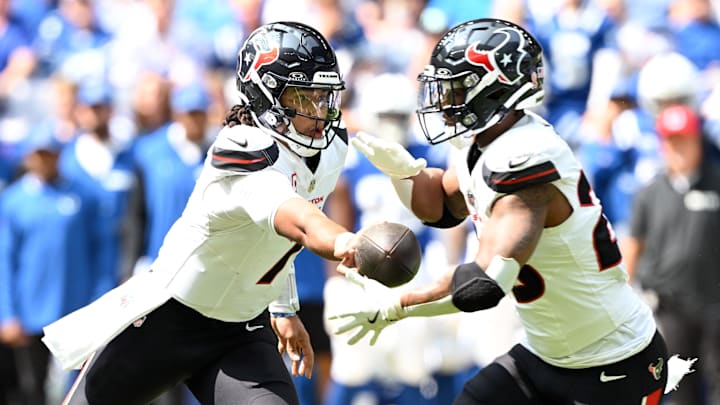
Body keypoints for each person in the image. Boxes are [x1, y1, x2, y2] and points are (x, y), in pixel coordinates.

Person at [330, 18, 691, 405]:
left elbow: (483, 284)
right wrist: (403, 174)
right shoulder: (487, 144)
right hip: (546, 353)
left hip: (611, 363)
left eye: (457, 86)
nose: (445, 98)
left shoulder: (525, 160)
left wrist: (398, 306)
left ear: (494, 89)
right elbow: (441, 207)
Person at [41, 21, 359, 405]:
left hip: (240, 328)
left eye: (324, 96)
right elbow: (298, 220)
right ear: (266, 96)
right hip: (165, 320)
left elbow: (273, 242)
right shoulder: (240, 147)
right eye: (305, 97)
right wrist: (345, 240)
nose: (320, 112)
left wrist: (284, 308)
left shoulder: (326, 151)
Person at [624, 105, 720, 405]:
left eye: (684, 140)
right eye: (671, 140)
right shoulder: (649, 193)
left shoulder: (716, 183)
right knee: (678, 384)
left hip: (715, 303)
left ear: (697, 141)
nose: (677, 148)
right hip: (668, 305)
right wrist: (627, 296)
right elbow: (633, 245)